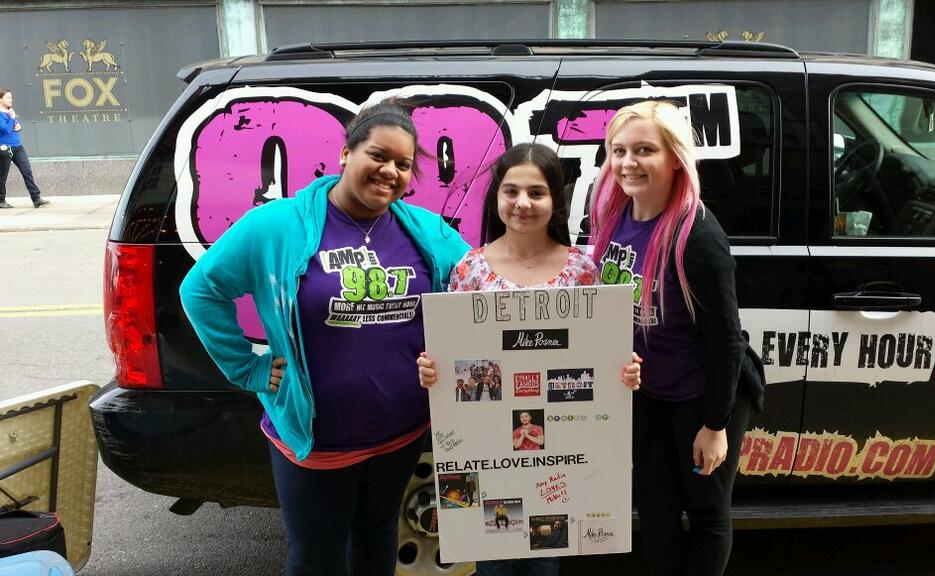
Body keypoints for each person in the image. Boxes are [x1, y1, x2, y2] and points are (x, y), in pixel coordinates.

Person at [179, 101, 470, 576]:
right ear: (345, 153)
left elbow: (482, 283)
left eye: (402, 164)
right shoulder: (276, 225)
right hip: (316, 441)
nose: (390, 171)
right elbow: (200, 289)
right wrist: (246, 366)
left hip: (401, 431)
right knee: (316, 558)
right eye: (379, 155)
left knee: (377, 538)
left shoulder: (425, 231)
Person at [417, 142, 642, 576]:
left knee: (548, 553)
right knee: (495, 557)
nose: (523, 203)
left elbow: (599, 356)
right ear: (496, 198)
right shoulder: (469, 269)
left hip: (564, 451)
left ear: (555, 199)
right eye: (511, 191)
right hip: (487, 447)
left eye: (537, 193)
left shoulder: (583, 269)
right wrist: (433, 371)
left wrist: (624, 373)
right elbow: (453, 355)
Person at [588, 100, 765, 576]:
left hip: (700, 397)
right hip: (646, 396)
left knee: (705, 511)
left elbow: (727, 341)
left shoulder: (698, 236)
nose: (627, 163)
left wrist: (714, 424)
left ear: (675, 158)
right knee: (656, 513)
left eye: (644, 149)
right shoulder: (613, 217)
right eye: (618, 150)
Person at [0, 88, 47, 209]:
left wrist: (18, 126)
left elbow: (13, 126)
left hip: (18, 146)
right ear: (0, 99)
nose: (11, 99)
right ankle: (1, 200)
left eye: (11, 97)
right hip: (5, 148)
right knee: (2, 175)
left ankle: (36, 198)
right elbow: (4, 129)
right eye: (8, 97)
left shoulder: (10, 111)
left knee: (27, 171)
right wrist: (11, 118)